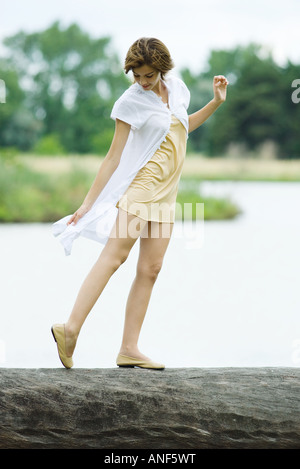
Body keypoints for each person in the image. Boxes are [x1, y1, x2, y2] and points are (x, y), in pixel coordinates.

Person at [51, 37, 228, 370]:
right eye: (137, 76)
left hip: (166, 194)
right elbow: (113, 155)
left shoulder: (177, 90)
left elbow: (182, 128)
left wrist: (216, 102)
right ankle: (70, 329)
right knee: (115, 256)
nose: (144, 82)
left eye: (149, 75)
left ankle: (129, 348)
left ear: (161, 69)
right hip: (142, 188)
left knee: (151, 269)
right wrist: (88, 204)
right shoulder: (130, 102)